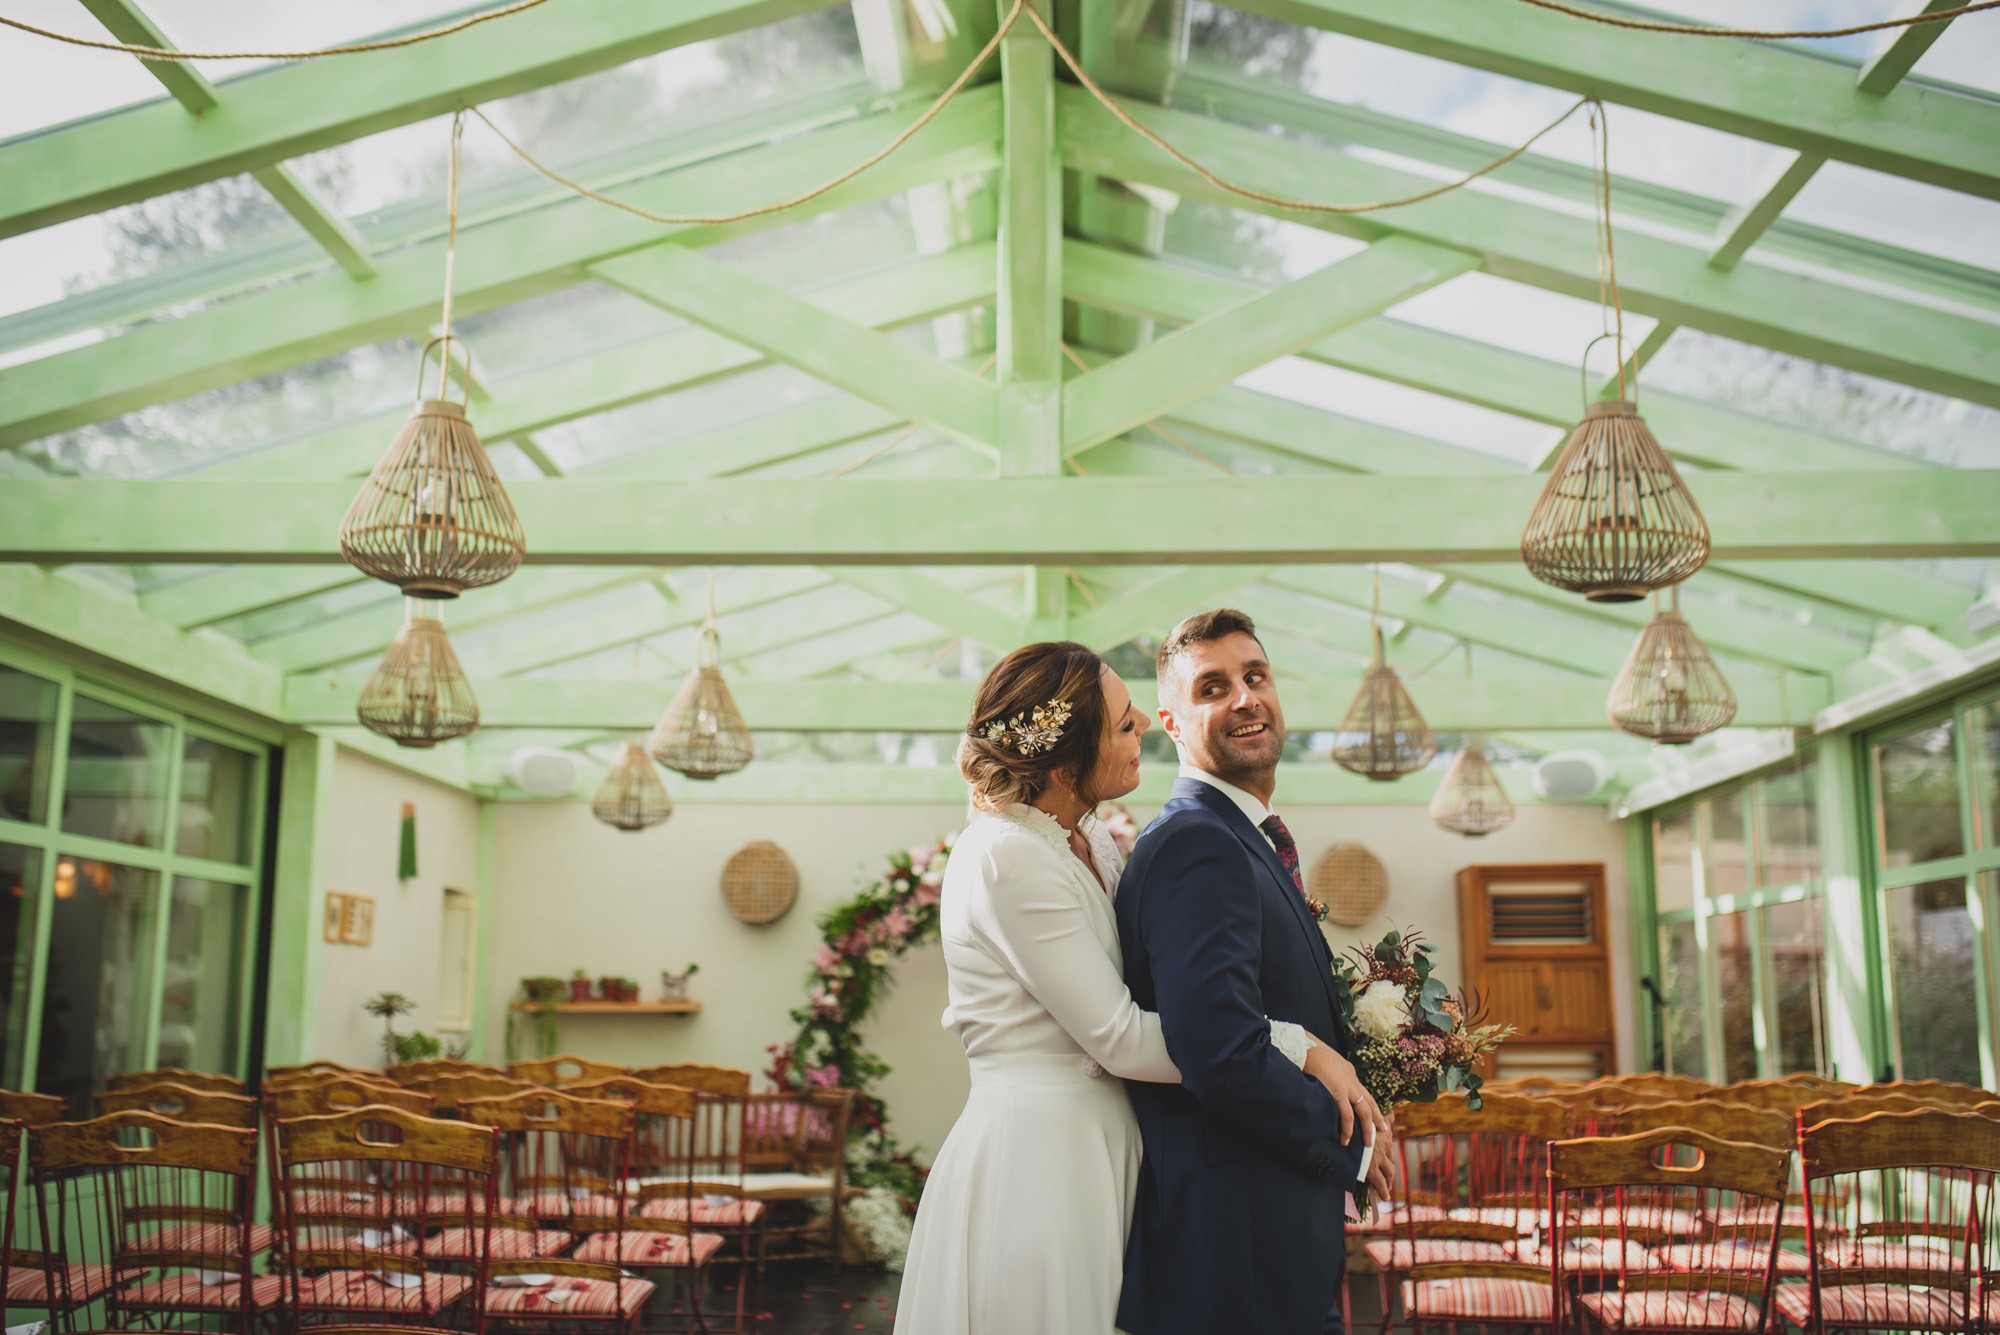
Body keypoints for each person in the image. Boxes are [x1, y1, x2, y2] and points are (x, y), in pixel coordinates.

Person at [895, 641, 1379, 1335]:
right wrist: (1297, 1045)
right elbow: (1121, 1036)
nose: (1143, 729)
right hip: (1042, 1153)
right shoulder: (1005, 855)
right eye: (1124, 724)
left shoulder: (1091, 836)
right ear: (1065, 761)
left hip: (1112, 1144)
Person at [1117, 609, 1392, 1335]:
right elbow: (1218, 1049)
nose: (1244, 697)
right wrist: (1354, 1140)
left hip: (1265, 1231)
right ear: (1171, 723)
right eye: (1213, 687)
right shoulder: (1195, 843)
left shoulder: (1245, 838)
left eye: (1255, 676)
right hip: (1235, 1247)